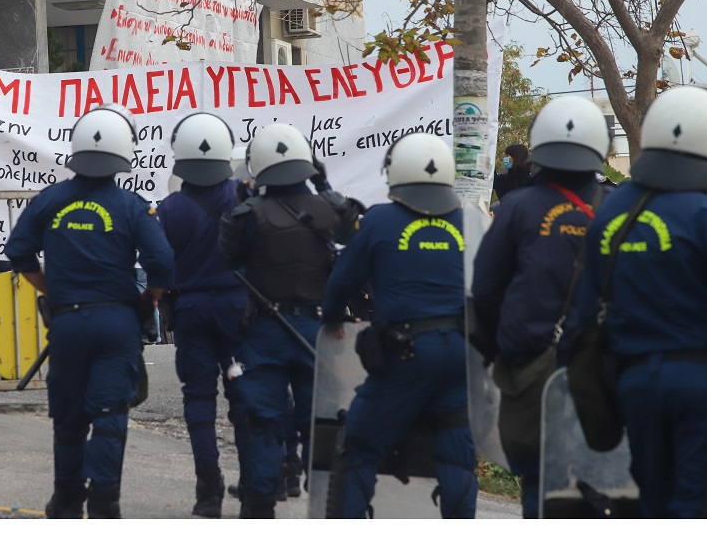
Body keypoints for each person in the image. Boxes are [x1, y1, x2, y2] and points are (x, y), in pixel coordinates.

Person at [569, 86, 707, 518]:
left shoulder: (608, 213)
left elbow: (582, 315)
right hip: (705, 385)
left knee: (655, 505)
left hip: (635, 387)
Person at [4, 105, 173, 519]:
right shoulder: (132, 205)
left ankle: (65, 500)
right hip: (117, 321)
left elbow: (18, 252)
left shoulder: (50, 199)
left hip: (67, 321)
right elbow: (163, 263)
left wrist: (52, 288)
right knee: (110, 413)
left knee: (69, 415)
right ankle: (104, 503)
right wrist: (149, 299)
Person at [321, 132, 478, 518]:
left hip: (406, 353)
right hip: (460, 351)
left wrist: (333, 315)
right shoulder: (469, 221)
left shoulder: (378, 220)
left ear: (395, 174)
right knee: (457, 455)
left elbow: (341, 281)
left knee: (357, 445)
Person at [470, 96, 613, 518]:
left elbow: (485, 291)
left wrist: (503, 351)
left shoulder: (516, 208)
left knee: (540, 477)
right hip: (608, 371)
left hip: (533, 368)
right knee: (607, 479)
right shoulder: (620, 206)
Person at [218, 123, 362, 518]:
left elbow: (228, 254)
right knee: (322, 425)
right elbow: (353, 229)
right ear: (306, 165)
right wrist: (325, 183)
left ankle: (260, 509)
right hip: (318, 331)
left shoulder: (247, 215)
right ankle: (329, 510)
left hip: (266, 330)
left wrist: (244, 196)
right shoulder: (331, 208)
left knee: (263, 422)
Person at [157, 112, 249, 518]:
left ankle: (207, 491)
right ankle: (253, 482)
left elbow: (159, 265)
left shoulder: (169, 208)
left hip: (191, 311)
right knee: (245, 396)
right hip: (238, 311)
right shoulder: (245, 198)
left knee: (198, 398)